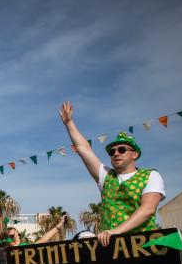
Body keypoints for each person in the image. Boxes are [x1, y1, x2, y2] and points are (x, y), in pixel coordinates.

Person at [59, 101, 165, 247]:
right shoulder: (106, 176)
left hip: (142, 245)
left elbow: (148, 209)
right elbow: (84, 149)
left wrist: (116, 231)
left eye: (122, 150)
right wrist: (69, 123)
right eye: (112, 151)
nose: (116, 153)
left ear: (134, 154)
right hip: (110, 246)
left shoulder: (151, 175)